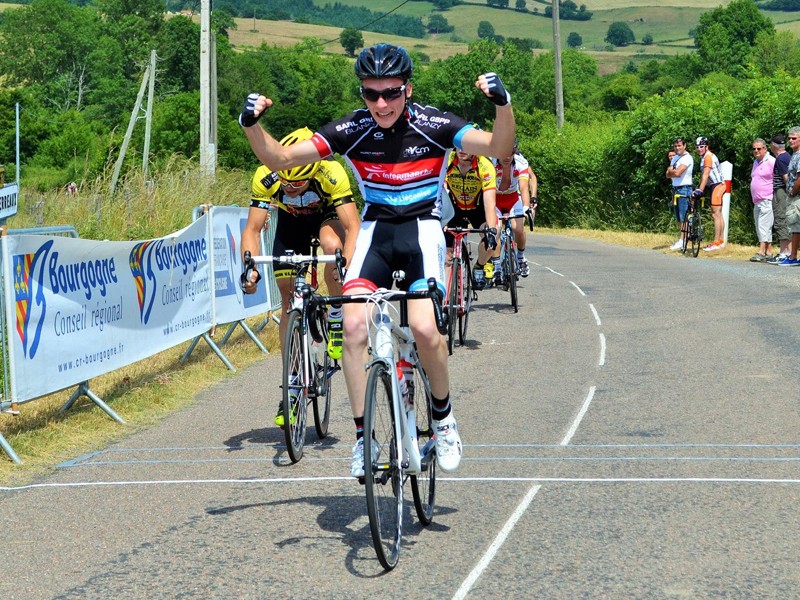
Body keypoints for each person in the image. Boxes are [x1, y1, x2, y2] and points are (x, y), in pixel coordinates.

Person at [238, 43, 516, 476]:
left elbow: (500, 146)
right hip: (376, 231)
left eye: (391, 92)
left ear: (408, 88)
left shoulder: (433, 124)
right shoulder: (354, 128)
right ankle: (364, 438)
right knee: (351, 328)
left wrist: (503, 104)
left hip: (422, 228)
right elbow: (280, 158)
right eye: (371, 94)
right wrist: (251, 124)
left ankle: (442, 420)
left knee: (424, 328)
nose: (381, 103)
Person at [240, 127, 360, 427]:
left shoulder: (331, 173)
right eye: (286, 183)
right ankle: (292, 385)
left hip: (326, 219)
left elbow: (353, 226)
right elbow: (253, 230)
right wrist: (249, 268)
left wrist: (347, 264)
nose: (291, 189)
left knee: (333, 249)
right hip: (290, 227)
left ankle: (335, 313)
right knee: (287, 300)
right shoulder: (266, 175)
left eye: (299, 184)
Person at [443, 149, 499, 290]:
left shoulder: (485, 165)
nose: (462, 150)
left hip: (478, 209)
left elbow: (489, 203)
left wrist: (490, 232)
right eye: (459, 146)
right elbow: (440, 191)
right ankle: (445, 305)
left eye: (467, 146)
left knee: (494, 235)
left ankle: (479, 265)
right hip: (454, 209)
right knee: (447, 258)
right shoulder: (447, 161)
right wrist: (440, 219)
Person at [491, 144, 533, 282]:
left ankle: (521, 257)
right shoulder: (490, 161)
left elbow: (524, 188)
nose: (507, 157)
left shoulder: (521, 162)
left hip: (513, 198)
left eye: (510, 153)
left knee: (518, 228)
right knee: (495, 231)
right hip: (495, 199)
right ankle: (496, 265)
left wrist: (526, 207)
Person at [692, 136, 726, 252]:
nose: (699, 149)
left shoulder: (707, 157)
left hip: (717, 185)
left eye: (701, 147)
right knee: (718, 214)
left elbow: (706, 174)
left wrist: (700, 190)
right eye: (697, 147)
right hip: (716, 185)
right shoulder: (706, 156)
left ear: (707, 147)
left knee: (715, 214)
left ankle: (717, 241)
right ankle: (720, 241)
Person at [749, 137, 774, 262]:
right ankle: (768, 251)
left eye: (759, 148)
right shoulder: (756, 162)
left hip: (767, 198)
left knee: (763, 225)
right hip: (757, 200)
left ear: (765, 149)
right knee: (762, 225)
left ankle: (761, 251)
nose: (756, 151)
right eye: (754, 149)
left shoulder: (771, 161)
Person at [666, 137, 694, 250]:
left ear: (684, 146)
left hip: (684, 188)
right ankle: (681, 238)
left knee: (684, 216)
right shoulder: (675, 158)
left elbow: (677, 173)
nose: (677, 148)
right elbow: (667, 174)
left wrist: (671, 172)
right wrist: (671, 172)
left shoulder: (687, 158)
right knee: (678, 216)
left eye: (679, 146)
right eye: (675, 146)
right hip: (675, 188)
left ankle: (684, 239)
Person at [777, 126, 800, 266]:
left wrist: (792, 192)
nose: (790, 141)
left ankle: (792, 257)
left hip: (797, 196)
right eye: (789, 138)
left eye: (794, 138)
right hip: (795, 195)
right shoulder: (794, 155)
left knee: (795, 226)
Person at [767, 134, 792, 264]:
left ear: (773, 146)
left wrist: (790, 193)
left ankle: (784, 252)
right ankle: (788, 252)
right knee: (786, 221)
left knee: (781, 219)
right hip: (785, 192)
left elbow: (786, 178)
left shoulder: (781, 159)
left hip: (781, 192)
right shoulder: (788, 156)